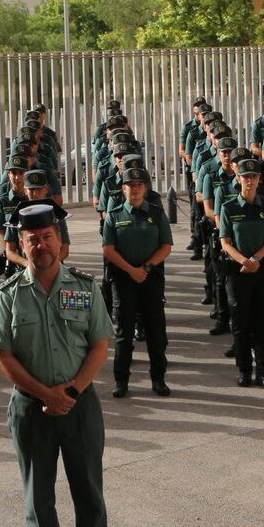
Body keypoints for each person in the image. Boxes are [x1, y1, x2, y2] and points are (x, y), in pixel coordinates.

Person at [0, 201, 117, 527]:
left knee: (89, 492)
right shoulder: (8, 295)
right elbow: (2, 356)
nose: (40, 245)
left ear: (60, 242)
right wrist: (46, 395)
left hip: (79, 406)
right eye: (31, 240)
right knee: (37, 495)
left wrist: (72, 392)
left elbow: (99, 345)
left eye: (46, 237)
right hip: (30, 410)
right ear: (20, 245)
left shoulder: (84, 286)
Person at [100, 164, 173, 398]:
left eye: (140, 185)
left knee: (156, 331)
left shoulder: (156, 213)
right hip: (123, 280)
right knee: (124, 333)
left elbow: (166, 246)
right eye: (131, 185)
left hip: (151, 278)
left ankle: (158, 379)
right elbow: (108, 249)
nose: (135, 189)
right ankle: (121, 381)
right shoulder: (114, 216)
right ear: (124, 188)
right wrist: (131, 270)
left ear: (146, 188)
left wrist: (147, 267)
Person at [215, 158, 264, 389]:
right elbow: (225, 241)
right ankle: (244, 370)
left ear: (259, 179)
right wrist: (244, 260)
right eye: (245, 177)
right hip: (237, 271)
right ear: (238, 179)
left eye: (253, 177)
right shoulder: (228, 207)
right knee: (240, 323)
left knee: (263, 323)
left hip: (262, 270)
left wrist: (255, 260)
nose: (250, 181)